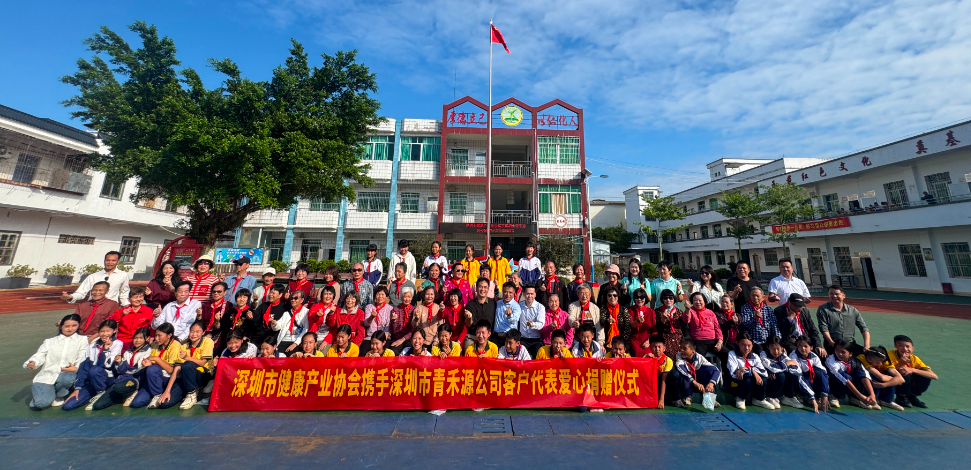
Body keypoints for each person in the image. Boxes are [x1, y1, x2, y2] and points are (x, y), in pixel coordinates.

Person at [24, 314, 88, 409]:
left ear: (78, 325)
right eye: (67, 326)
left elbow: (82, 357)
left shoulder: (82, 340)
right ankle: (45, 395)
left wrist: (76, 367)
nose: (70, 328)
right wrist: (33, 362)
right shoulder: (49, 341)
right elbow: (40, 354)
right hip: (47, 376)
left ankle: (59, 394)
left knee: (68, 378)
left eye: (74, 325)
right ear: (61, 326)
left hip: (66, 374)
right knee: (40, 404)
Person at [62, 319, 123, 411]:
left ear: (114, 331)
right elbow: (84, 366)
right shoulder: (93, 345)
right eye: (102, 331)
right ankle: (97, 393)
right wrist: (78, 387)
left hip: (107, 380)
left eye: (108, 331)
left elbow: (107, 364)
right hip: (92, 381)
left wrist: (106, 349)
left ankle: (102, 393)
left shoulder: (117, 343)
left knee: (95, 370)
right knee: (68, 405)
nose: (104, 334)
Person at [89, 327, 152, 410]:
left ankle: (131, 393)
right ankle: (121, 396)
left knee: (118, 387)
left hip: (136, 380)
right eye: (136, 338)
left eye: (141, 338)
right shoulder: (128, 351)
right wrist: (120, 362)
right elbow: (121, 371)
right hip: (122, 379)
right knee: (98, 405)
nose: (137, 340)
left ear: (147, 339)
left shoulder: (149, 351)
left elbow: (138, 370)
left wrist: (131, 369)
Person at [130, 322, 183, 409]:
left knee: (153, 369)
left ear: (169, 335)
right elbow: (151, 362)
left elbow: (171, 370)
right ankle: (156, 393)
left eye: (159, 336)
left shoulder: (175, 346)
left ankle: (157, 394)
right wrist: (147, 363)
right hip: (155, 379)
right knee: (137, 403)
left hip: (169, 379)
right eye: (155, 335)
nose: (156, 338)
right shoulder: (155, 345)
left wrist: (156, 359)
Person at [171, 321, 216, 409]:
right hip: (188, 375)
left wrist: (187, 357)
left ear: (203, 332)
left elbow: (203, 363)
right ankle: (190, 390)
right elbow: (178, 366)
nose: (194, 334)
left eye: (198, 331)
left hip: (204, 373)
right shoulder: (184, 346)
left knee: (188, 364)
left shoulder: (208, 341)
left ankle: (191, 394)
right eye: (192, 331)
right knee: (168, 402)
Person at [62, 251, 130, 306]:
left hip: (111, 306)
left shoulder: (123, 275)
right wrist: (71, 297)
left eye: (113, 260)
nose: (110, 263)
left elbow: (124, 292)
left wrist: (126, 305)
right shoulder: (93, 276)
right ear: (104, 261)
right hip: (93, 306)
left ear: (118, 262)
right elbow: (81, 292)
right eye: (108, 260)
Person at [816, 285, 869, 356]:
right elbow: (823, 328)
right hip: (833, 344)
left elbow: (864, 328)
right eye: (831, 293)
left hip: (850, 343)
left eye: (837, 294)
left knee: (869, 356)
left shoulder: (852, 310)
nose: (834, 296)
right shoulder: (823, 309)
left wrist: (866, 346)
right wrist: (832, 344)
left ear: (844, 296)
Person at [725, 333, 772, 410]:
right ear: (737, 343)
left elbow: (763, 372)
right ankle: (740, 398)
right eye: (743, 345)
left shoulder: (755, 356)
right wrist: (752, 371)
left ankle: (758, 399)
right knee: (747, 379)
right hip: (735, 382)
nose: (746, 348)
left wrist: (750, 370)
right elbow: (734, 373)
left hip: (750, 380)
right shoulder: (732, 354)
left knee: (763, 379)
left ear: (752, 345)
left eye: (749, 345)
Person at [825, 339, 878, 410]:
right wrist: (861, 397)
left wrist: (872, 394)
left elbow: (864, 375)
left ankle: (855, 399)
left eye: (843, 352)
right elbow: (845, 380)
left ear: (850, 354)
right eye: (837, 350)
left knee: (863, 377)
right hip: (835, 385)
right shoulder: (830, 361)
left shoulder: (855, 361)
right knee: (846, 378)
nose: (839, 354)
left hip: (849, 382)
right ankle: (833, 396)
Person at [889, 335, 937, 409]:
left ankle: (911, 396)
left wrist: (912, 370)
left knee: (925, 375)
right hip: (891, 383)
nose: (905, 349)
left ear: (912, 348)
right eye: (900, 346)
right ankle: (901, 397)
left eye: (907, 346)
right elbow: (887, 371)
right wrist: (901, 363)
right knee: (905, 373)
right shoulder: (890, 355)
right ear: (895, 346)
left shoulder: (914, 359)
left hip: (906, 383)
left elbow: (934, 376)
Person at [788, 335, 830, 413]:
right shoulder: (794, 356)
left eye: (805, 346)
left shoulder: (814, 356)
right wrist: (812, 397)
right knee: (794, 376)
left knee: (819, 372)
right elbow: (800, 377)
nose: (803, 348)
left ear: (811, 347)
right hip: (799, 380)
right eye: (800, 346)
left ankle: (818, 397)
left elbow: (823, 373)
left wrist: (825, 394)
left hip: (807, 380)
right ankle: (798, 395)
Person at [673, 339, 720, 408]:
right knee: (683, 374)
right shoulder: (679, 355)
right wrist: (695, 382)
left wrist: (711, 383)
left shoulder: (699, 358)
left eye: (685, 348)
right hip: (690, 384)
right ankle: (687, 396)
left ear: (693, 352)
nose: (682, 350)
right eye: (681, 348)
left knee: (708, 372)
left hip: (700, 384)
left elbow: (716, 371)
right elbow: (682, 369)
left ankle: (708, 397)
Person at [858, 346, 905, 411]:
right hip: (861, 381)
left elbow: (901, 379)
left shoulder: (883, 360)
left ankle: (886, 400)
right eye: (878, 362)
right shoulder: (862, 358)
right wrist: (894, 379)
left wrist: (883, 385)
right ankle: (870, 399)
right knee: (874, 376)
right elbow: (881, 377)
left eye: (882, 361)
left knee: (890, 374)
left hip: (879, 382)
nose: (880, 364)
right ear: (870, 358)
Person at [760, 336, 798, 410]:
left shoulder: (783, 355)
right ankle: (771, 397)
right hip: (768, 379)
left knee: (793, 373)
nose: (776, 351)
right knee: (780, 375)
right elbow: (771, 367)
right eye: (772, 348)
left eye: (778, 348)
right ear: (767, 347)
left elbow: (795, 366)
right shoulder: (764, 354)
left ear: (782, 348)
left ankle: (787, 397)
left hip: (778, 379)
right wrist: (786, 364)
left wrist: (781, 366)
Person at [739, 287, 780, 352]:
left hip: (768, 340)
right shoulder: (745, 308)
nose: (755, 298)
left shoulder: (768, 309)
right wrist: (755, 318)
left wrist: (777, 340)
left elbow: (774, 326)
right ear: (750, 296)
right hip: (754, 340)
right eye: (753, 295)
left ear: (763, 297)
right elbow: (746, 325)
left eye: (757, 296)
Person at [683, 292, 722, 356]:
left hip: (713, 341)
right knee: (699, 358)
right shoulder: (690, 311)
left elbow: (717, 328)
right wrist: (687, 310)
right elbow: (686, 320)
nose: (698, 302)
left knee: (727, 354)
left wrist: (719, 342)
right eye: (695, 300)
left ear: (704, 301)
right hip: (698, 342)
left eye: (700, 300)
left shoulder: (710, 312)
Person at [465, 278, 497, 349]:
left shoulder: (493, 303)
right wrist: (469, 317)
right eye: (480, 287)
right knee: (468, 348)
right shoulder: (470, 304)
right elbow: (468, 324)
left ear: (488, 289)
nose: (483, 289)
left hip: (488, 336)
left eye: (485, 287)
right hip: (473, 336)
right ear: (476, 288)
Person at [655, 289, 686, 359]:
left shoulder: (679, 312)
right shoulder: (658, 311)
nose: (668, 300)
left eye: (670, 298)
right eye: (665, 298)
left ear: (674, 299)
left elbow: (684, 327)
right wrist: (663, 319)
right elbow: (658, 328)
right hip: (665, 337)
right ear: (662, 300)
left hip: (678, 337)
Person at [518, 284, 546, 357]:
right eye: (528, 294)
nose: (529, 296)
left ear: (535, 294)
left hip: (536, 339)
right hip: (523, 339)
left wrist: (532, 324)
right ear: (524, 294)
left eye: (532, 294)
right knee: (519, 355)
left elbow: (541, 324)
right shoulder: (519, 306)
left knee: (538, 355)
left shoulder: (540, 307)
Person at [276, 290, 307, 355]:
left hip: (297, 341)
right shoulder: (286, 313)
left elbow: (306, 329)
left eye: (295, 298)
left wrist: (295, 343)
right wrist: (274, 324)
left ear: (302, 300)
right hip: (284, 340)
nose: (293, 300)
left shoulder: (306, 312)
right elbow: (278, 326)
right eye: (291, 298)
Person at [363, 287, 393, 353]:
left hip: (383, 337)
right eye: (378, 294)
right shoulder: (369, 307)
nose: (380, 296)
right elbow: (366, 324)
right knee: (364, 352)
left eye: (382, 294)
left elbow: (388, 326)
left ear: (386, 296)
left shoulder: (390, 308)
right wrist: (372, 316)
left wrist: (384, 336)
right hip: (370, 337)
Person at [646, 335, 673, 408]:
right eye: (654, 347)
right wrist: (647, 360)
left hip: (663, 383)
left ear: (664, 348)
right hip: (651, 386)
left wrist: (661, 400)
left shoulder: (668, 361)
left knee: (674, 374)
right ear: (650, 348)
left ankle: (671, 398)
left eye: (659, 347)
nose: (657, 349)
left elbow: (664, 380)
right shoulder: (646, 357)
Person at [629, 288, 659, 357]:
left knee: (648, 356)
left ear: (645, 298)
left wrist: (649, 341)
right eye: (637, 297)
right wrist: (637, 321)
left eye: (641, 297)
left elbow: (654, 331)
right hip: (633, 341)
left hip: (647, 341)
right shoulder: (630, 310)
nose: (639, 299)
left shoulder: (651, 312)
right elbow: (630, 326)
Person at [601, 286, 632, 351]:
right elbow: (601, 323)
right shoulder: (603, 309)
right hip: (607, 343)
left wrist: (622, 344)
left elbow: (627, 328)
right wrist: (608, 321)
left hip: (622, 343)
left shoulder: (623, 310)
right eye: (609, 295)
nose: (612, 297)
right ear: (606, 297)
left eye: (615, 295)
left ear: (618, 297)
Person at [306, 286, 337, 351]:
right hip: (313, 337)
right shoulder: (315, 306)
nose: (328, 296)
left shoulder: (336, 309)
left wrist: (326, 341)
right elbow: (310, 319)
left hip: (327, 339)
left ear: (333, 296)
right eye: (325, 294)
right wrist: (316, 315)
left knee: (322, 355)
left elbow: (334, 327)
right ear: (322, 295)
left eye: (330, 294)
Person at [389, 288, 416, 354]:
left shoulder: (414, 310)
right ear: (401, 297)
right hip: (397, 337)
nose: (407, 299)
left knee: (409, 352)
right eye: (405, 296)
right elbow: (393, 330)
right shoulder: (395, 310)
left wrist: (403, 339)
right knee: (394, 352)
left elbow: (414, 328)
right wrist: (393, 321)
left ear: (411, 298)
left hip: (409, 338)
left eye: (409, 297)